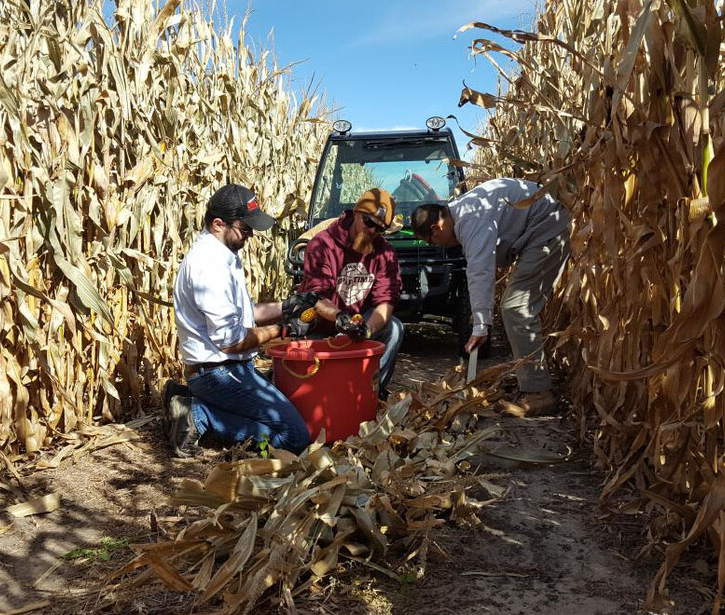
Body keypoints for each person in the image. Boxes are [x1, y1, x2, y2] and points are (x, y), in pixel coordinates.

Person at [165, 183, 317, 457]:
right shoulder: (209, 267)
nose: (249, 235)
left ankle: (191, 401)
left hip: (227, 370)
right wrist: (284, 329)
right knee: (295, 437)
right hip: (218, 374)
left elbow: (244, 313)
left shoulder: (222, 255)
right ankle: (197, 413)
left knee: (278, 415)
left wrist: (287, 306)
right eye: (245, 229)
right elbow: (232, 341)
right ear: (218, 224)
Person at [411, 178, 570, 414]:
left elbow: (481, 269)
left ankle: (539, 393)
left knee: (516, 308)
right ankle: (532, 383)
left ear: (436, 228)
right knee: (515, 307)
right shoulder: (465, 212)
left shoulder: (470, 219)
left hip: (546, 232)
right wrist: (479, 314)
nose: (438, 245)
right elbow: (479, 267)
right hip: (538, 233)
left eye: (432, 240)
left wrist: (481, 325)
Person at [300, 188, 404, 398]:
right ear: (356, 213)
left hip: (357, 321)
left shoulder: (385, 252)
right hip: (321, 322)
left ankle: (372, 392)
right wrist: (339, 318)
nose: (373, 231)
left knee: (394, 328)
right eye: (369, 222)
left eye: (380, 228)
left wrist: (367, 329)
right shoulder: (323, 244)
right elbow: (317, 297)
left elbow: (386, 301)